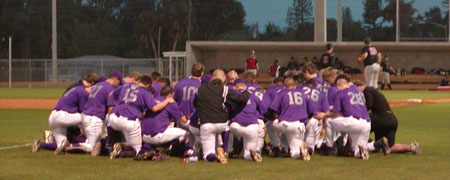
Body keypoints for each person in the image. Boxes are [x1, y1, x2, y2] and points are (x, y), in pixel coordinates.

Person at [108, 75, 174, 159]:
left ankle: (118, 146)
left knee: (129, 140)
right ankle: (122, 147)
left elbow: (111, 95)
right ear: (148, 85)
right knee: (138, 152)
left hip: (114, 118)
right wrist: (167, 100)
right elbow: (155, 108)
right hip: (130, 121)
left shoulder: (126, 85)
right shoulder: (145, 92)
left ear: (139, 81)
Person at [194, 69, 250, 164]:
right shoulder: (224, 88)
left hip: (205, 123)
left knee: (207, 156)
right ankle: (224, 150)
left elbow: (195, 103)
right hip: (221, 123)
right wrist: (246, 92)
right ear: (224, 78)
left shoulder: (200, 89)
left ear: (212, 77)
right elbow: (240, 99)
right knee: (227, 126)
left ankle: (213, 156)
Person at [354, 80, 421, 155]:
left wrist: (357, 112)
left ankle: (362, 143)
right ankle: (411, 147)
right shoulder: (374, 91)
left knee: (360, 123)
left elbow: (369, 104)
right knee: (388, 146)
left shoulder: (367, 90)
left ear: (358, 86)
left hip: (382, 118)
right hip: (392, 120)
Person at [324, 74, 371, 160]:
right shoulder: (359, 92)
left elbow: (336, 113)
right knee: (356, 151)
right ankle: (361, 151)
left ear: (339, 86)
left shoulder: (341, 93)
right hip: (366, 123)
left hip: (353, 122)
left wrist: (324, 115)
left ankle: (330, 147)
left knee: (329, 121)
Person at [77, 71, 123, 156]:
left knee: (96, 143)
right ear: (115, 80)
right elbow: (110, 108)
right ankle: (70, 146)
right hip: (94, 117)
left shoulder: (97, 85)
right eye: (119, 82)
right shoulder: (109, 88)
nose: (118, 85)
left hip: (85, 116)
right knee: (92, 146)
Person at [141, 87, 191, 160]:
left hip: (144, 136)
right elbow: (184, 120)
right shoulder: (170, 102)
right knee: (185, 133)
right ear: (170, 95)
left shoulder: (153, 100)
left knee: (169, 128)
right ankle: (165, 150)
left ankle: (153, 149)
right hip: (157, 135)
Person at [269, 77, 313, 161]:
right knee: (294, 152)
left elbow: (272, 110)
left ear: (285, 87)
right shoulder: (303, 94)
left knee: (269, 124)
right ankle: (301, 151)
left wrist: (276, 118)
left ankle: (275, 147)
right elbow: (311, 112)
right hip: (299, 125)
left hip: (285, 124)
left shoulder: (282, 93)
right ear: (295, 86)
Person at [46, 84, 92, 154]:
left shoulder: (77, 89)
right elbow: (84, 112)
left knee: (61, 145)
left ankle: (41, 144)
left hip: (53, 117)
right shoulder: (83, 92)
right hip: (61, 116)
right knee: (87, 118)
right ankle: (90, 142)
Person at [229, 79, 266, 162]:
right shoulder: (253, 96)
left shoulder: (231, 96)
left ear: (234, 88)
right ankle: (254, 153)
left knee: (226, 127)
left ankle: (228, 151)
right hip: (252, 126)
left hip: (236, 126)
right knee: (247, 153)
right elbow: (263, 112)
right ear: (245, 87)